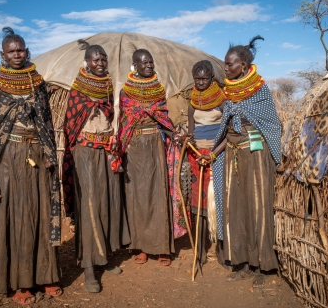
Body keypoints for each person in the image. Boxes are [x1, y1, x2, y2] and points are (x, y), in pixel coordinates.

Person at [0, 27, 61, 305]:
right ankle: (18, 283)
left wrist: (49, 152)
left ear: (27, 51)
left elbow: (46, 122)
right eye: (11, 51)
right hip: (8, 157)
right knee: (15, 217)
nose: (16, 54)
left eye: (20, 49)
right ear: (2, 55)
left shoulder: (38, 84)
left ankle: (46, 276)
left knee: (40, 213)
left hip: (36, 153)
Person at [211, 36, 281, 288]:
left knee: (257, 207)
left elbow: (271, 124)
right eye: (225, 64)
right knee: (236, 207)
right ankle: (242, 263)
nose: (226, 68)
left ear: (243, 65)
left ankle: (261, 264)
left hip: (255, 154)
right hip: (232, 154)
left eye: (230, 64)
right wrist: (216, 150)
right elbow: (227, 126)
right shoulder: (228, 92)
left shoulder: (260, 91)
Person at [62, 41, 129, 293]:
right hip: (85, 153)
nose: (100, 63)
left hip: (105, 152)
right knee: (89, 207)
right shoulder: (77, 90)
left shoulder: (107, 86)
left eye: (103, 59)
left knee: (106, 203)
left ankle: (104, 258)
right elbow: (72, 123)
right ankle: (89, 267)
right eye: (95, 59)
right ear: (86, 62)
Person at [116, 49, 185, 266]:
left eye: (151, 62)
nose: (149, 66)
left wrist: (176, 134)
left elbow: (162, 115)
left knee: (158, 193)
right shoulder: (125, 92)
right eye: (144, 63)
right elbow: (126, 118)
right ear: (134, 65)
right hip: (134, 146)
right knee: (137, 196)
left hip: (155, 143)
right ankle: (142, 246)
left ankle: (162, 247)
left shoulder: (159, 89)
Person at [185, 60, 226, 265]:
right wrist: (188, 139)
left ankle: (221, 249)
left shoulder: (221, 99)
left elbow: (228, 130)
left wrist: (214, 151)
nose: (201, 82)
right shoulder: (192, 101)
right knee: (198, 203)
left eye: (205, 78)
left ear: (212, 78)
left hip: (217, 155)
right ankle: (199, 252)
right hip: (197, 156)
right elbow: (191, 129)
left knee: (218, 201)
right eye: (197, 78)